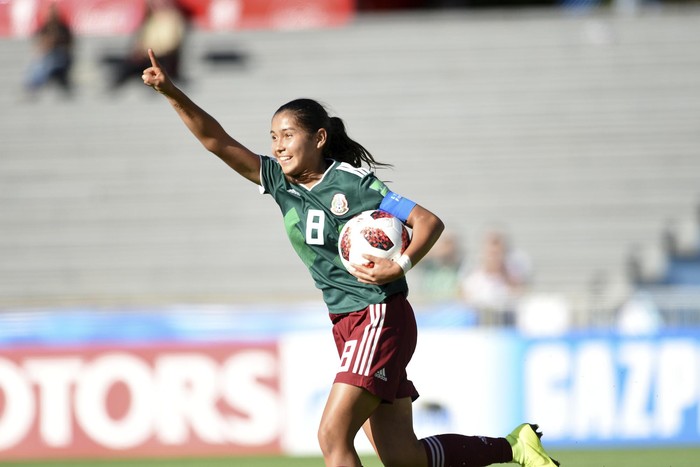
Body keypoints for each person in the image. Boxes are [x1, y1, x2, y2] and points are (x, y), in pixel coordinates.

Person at [141, 49, 559, 467]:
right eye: (273, 137)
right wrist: (171, 91)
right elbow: (217, 141)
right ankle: (514, 446)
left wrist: (401, 264)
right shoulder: (279, 183)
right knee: (403, 458)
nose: (278, 146)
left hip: (377, 314)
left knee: (331, 436)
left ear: (319, 138)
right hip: (347, 323)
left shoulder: (353, 183)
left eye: (288, 135)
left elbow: (427, 221)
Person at [110, 0, 188, 91]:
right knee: (124, 64)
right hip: (148, 56)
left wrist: (149, 52)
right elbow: (142, 41)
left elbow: (172, 44)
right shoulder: (150, 19)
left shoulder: (172, 18)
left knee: (136, 67)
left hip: (162, 58)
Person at [460, 229, 532, 327]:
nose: (494, 257)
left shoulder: (514, 279)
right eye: (491, 253)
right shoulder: (472, 280)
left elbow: (521, 299)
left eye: (498, 253)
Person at [24, 1, 74, 98]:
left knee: (48, 62)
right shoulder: (45, 27)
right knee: (40, 63)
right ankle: (32, 85)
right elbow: (39, 43)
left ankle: (33, 86)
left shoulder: (63, 28)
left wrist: (55, 42)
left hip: (61, 56)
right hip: (47, 56)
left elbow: (69, 45)